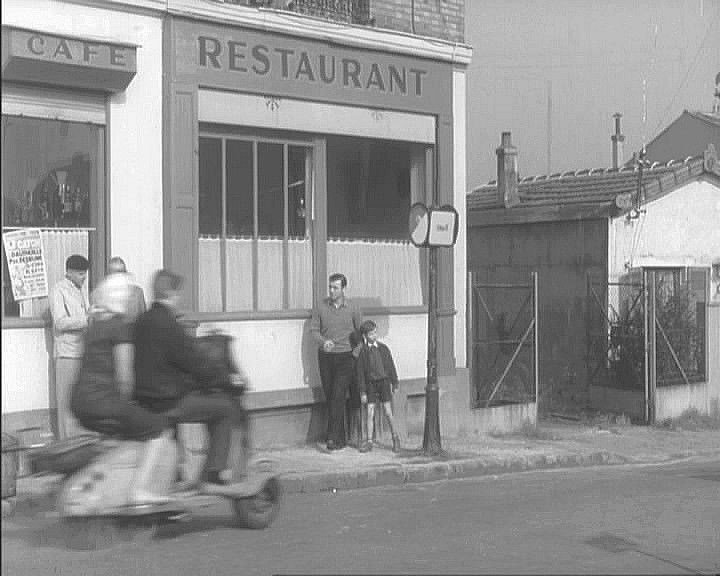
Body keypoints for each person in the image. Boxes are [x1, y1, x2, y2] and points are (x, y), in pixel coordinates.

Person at [70, 272, 173, 505]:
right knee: (159, 429)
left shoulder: (93, 328)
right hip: (104, 403)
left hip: (79, 402)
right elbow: (125, 378)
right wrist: (131, 402)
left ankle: (98, 487)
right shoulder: (120, 328)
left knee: (122, 434)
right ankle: (139, 490)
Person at [133, 270, 236, 490]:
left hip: (144, 399)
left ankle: (177, 473)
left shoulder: (140, 322)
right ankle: (213, 473)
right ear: (171, 293)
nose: (179, 299)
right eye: (177, 294)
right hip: (167, 402)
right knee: (224, 409)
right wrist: (220, 379)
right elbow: (193, 361)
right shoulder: (170, 325)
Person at [310, 273, 363, 451]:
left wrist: (355, 354)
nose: (332, 291)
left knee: (338, 394)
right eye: (330, 287)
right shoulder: (320, 307)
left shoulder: (353, 308)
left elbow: (360, 334)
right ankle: (341, 438)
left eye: (335, 288)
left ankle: (332, 438)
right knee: (331, 396)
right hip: (326, 356)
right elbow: (314, 330)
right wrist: (323, 342)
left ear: (343, 289)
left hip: (346, 357)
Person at [50, 254, 90, 439]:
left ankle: (77, 443)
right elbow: (60, 322)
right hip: (66, 353)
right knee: (65, 402)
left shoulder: (80, 290)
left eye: (85, 273)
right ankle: (65, 443)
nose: (84, 277)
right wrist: (86, 320)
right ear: (70, 272)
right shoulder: (58, 290)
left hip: (81, 352)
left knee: (78, 401)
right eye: (81, 273)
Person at [356, 320, 401, 453]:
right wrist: (362, 391)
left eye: (375, 332)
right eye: (371, 333)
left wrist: (395, 382)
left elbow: (391, 366)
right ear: (365, 336)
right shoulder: (363, 352)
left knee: (388, 411)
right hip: (370, 384)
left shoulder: (383, 349)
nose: (374, 335)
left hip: (384, 383)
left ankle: (395, 438)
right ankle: (369, 441)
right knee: (370, 412)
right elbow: (360, 373)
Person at [105, 256, 146, 321]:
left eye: (120, 272)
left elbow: (143, 318)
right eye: (114, 272)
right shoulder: (104, 294)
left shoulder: (137, 292)